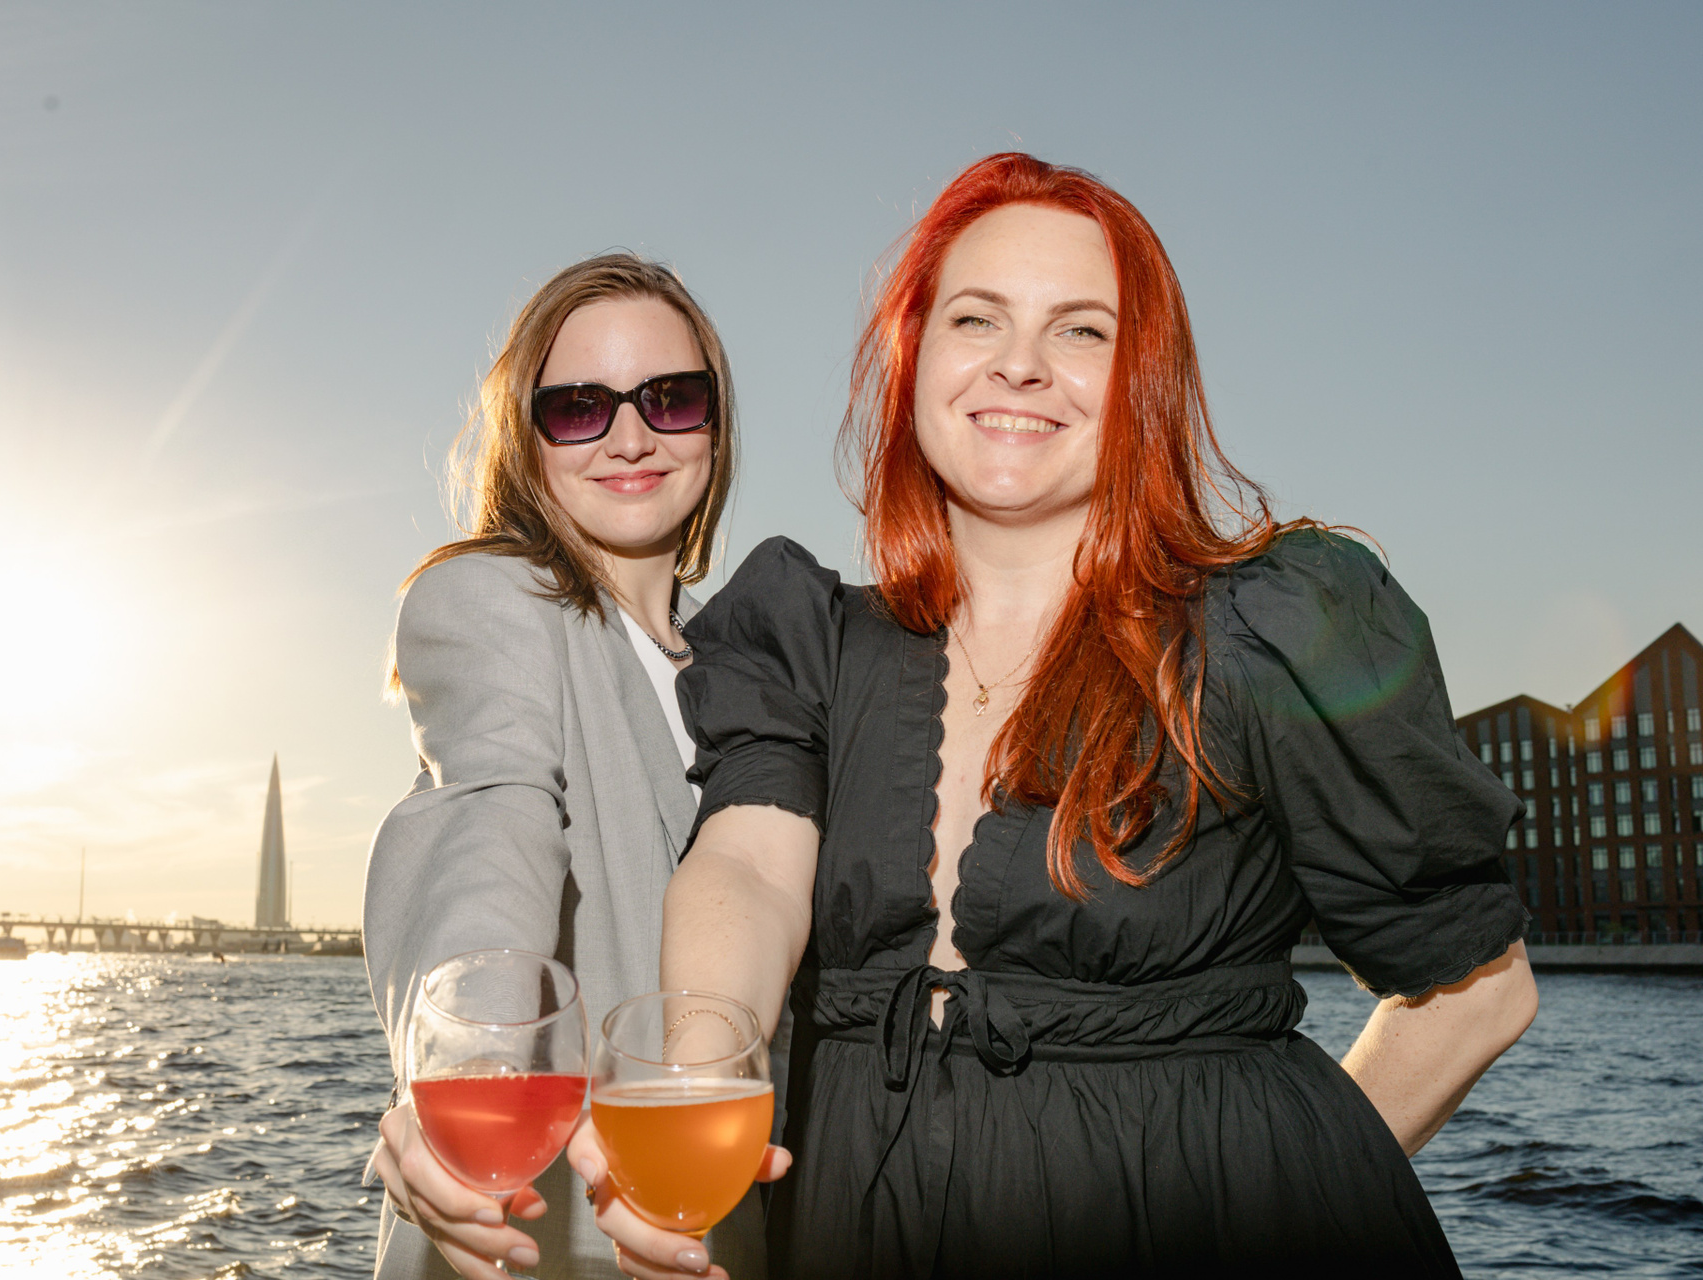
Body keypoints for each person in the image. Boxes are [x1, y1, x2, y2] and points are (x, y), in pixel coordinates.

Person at [570, 154, 1538, 1279]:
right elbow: (748, 866)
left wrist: (1286, 1205)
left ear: (1144, 382)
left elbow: (1477, 994)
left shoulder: (1269, 631)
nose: (1020, 363)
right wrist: (699, 1075)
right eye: (976, 318)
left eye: (1081, 330)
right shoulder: (809, 640)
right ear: (913, 358)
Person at [362, 253, 768, 1279]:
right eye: (580, 408)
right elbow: (493, 822)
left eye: (671, 398)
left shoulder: (750, 670)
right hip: (546, 1242)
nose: (631, 437)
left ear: (715, 426)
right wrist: (471, 1064)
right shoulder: (494, 601)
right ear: (526, 436)